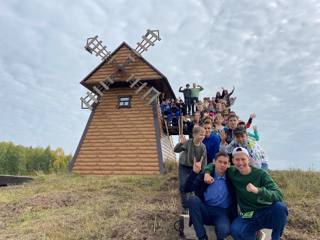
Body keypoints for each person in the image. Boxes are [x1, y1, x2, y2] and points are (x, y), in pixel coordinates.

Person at [204, 147, 288, 240]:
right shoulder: (232, 172)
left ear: (248, 159)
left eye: (243, 159)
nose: (240, 163)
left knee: (280, 208)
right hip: (248, 215)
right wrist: (207, 173)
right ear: (232, 161)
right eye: (237, 159)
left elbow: (278, 194)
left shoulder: (261, 174)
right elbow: (214, 165)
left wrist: (258, 190)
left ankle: (275, 238)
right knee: (235, 230)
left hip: (265, 212)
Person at [184, 152, 237, 240]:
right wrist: (194, 172)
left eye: (225, 163)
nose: (222, 165)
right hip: (205, 210)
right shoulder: (205, 176)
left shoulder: (231, 179)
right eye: (220, 162)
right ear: (214, 162)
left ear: (228, 165)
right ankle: (202, 237)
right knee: (193, 200)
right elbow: (187, 188)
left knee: (223, 230)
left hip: (222, 213)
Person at [174, 126, 207, 213]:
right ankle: (185, 206)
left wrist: (204, 173)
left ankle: (193, 204)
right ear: (194, 135)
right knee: (182, 185)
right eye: (200, 134)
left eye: (204, 135)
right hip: (184, 166)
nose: (202, 136)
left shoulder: (203, 147)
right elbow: (176, 150)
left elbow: (204, 162)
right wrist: (181, 144)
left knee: (193, 186)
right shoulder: (188, 143)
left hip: (194, 169)